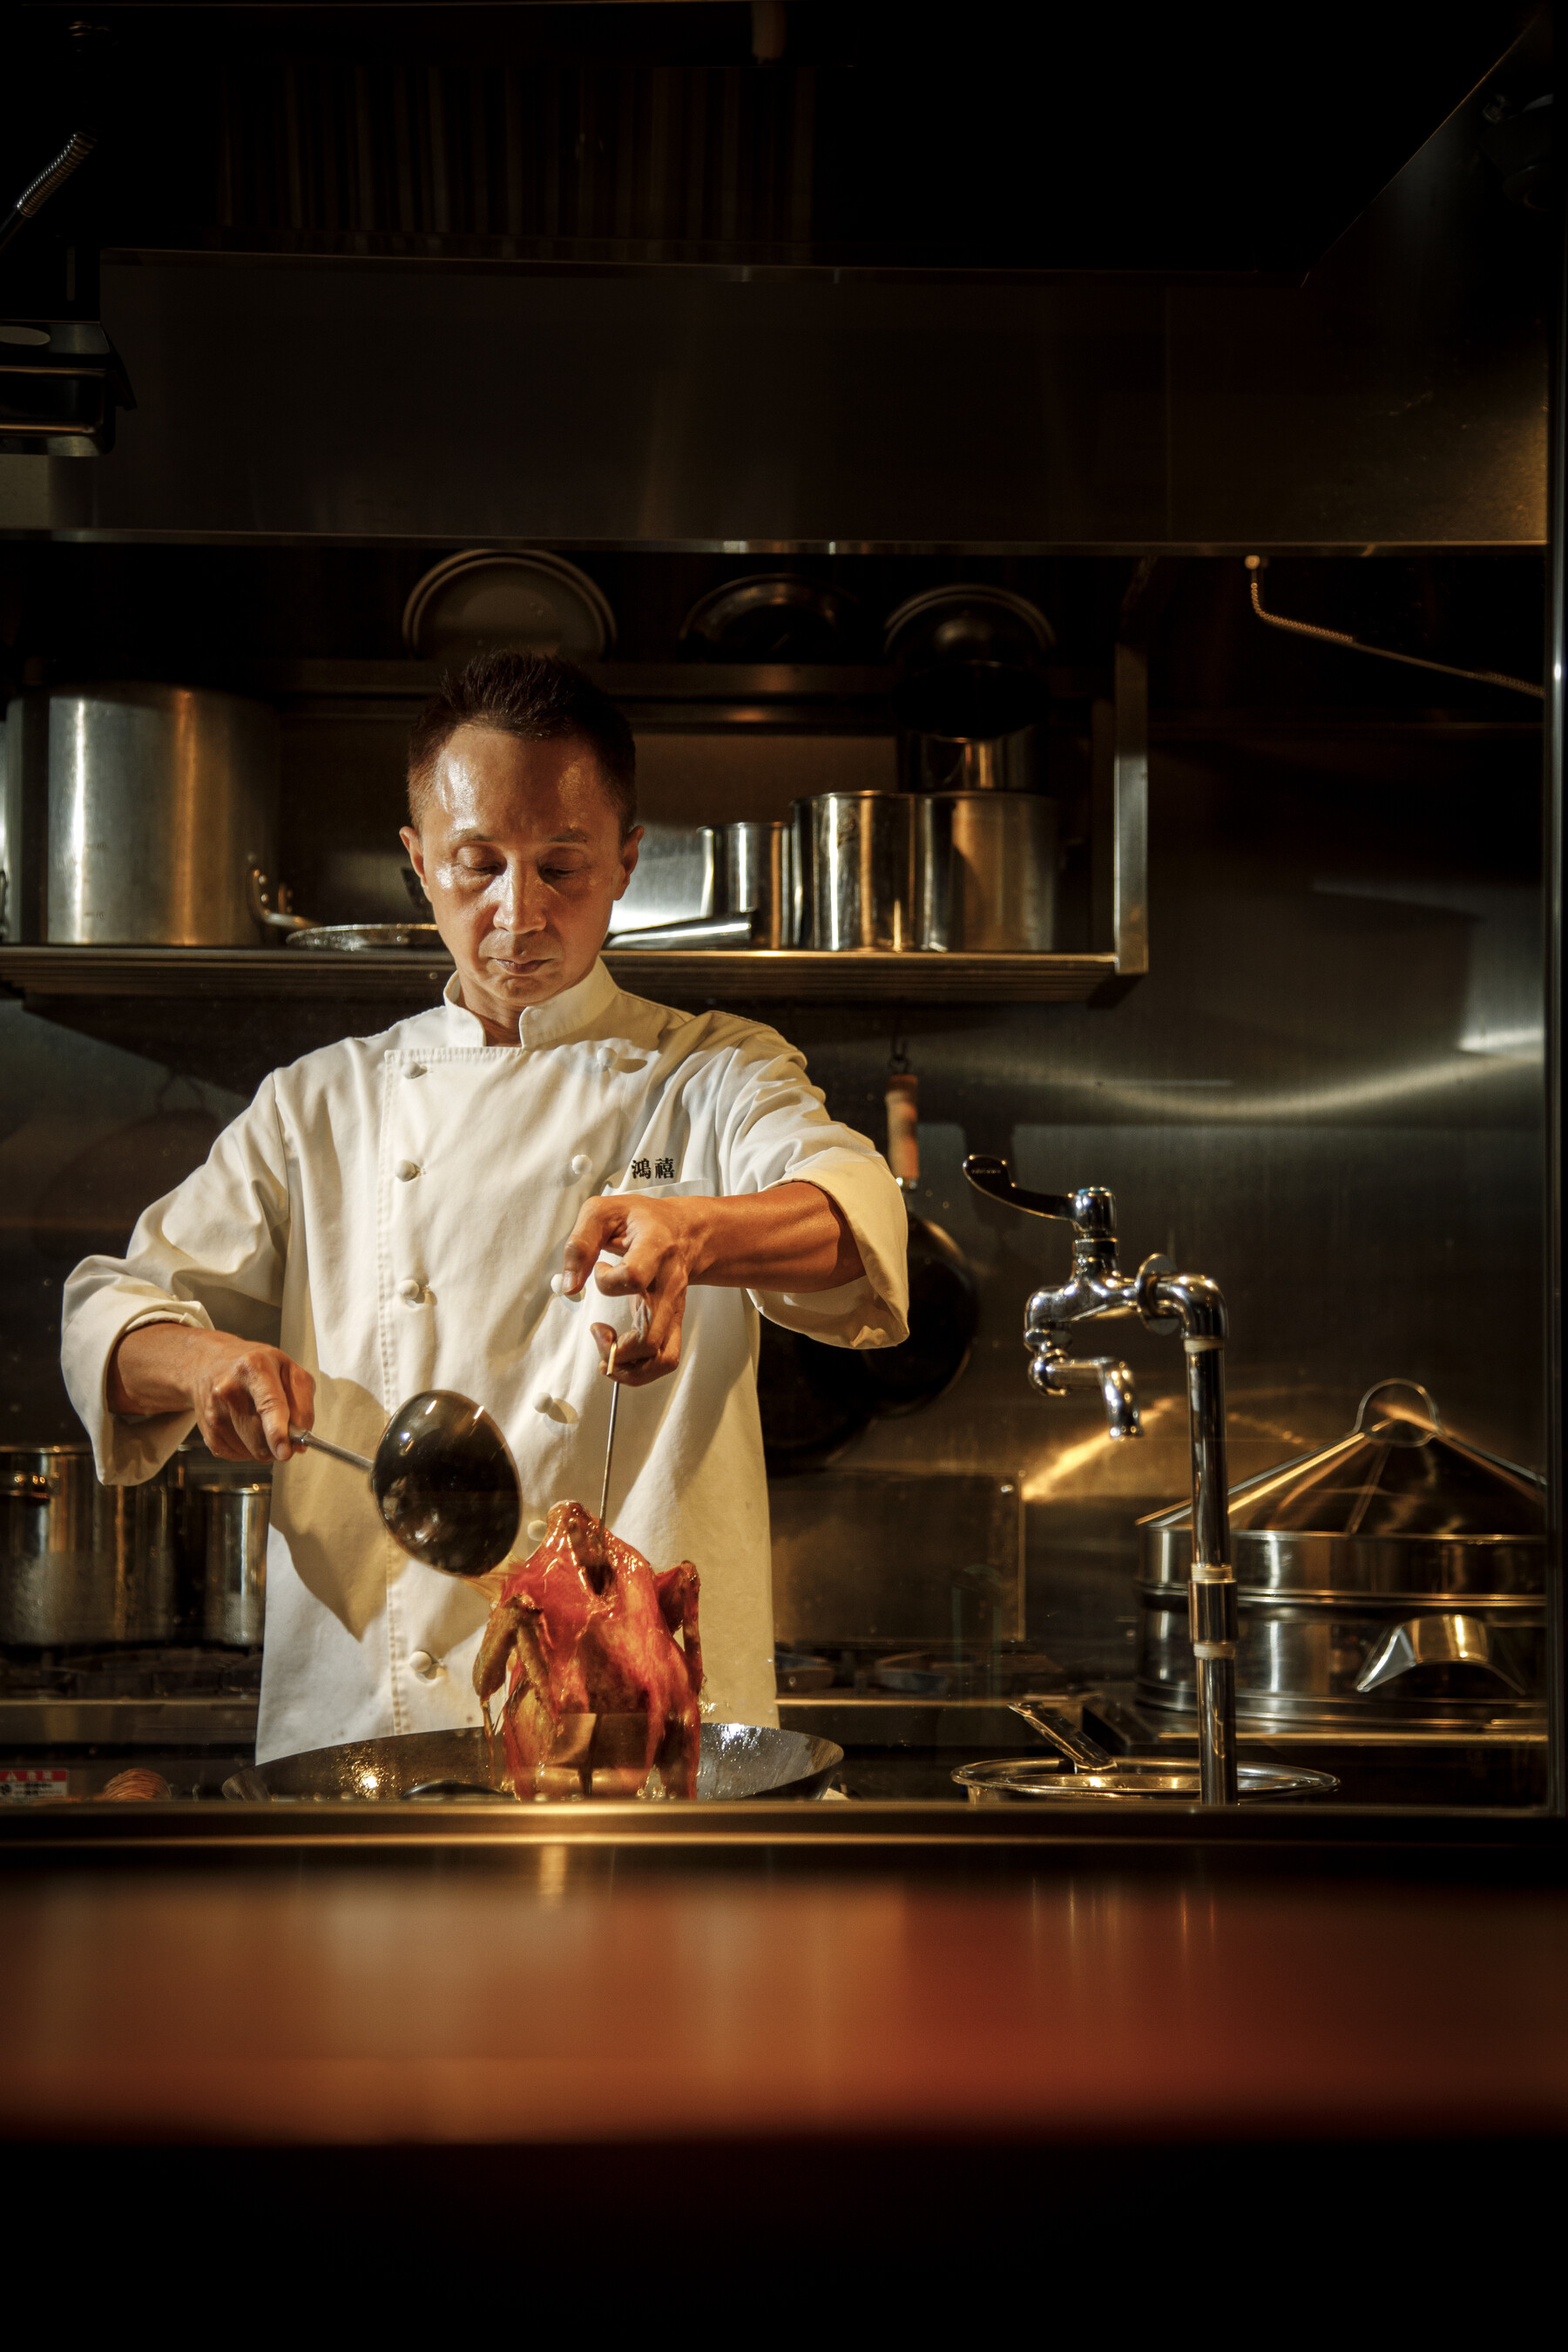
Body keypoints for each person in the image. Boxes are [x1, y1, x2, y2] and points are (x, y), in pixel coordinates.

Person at [61, 652, 909, 1760]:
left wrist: (700, 1232)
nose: (519, 912)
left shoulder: (711, 1073)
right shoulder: (320, 1106)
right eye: (478, 865)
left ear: (625, 862)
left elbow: (854, 1213)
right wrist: (203, 1363)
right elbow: (111, 1315)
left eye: (561, 865)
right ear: (419, 863)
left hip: (638, 1729)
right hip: (368, 1728)